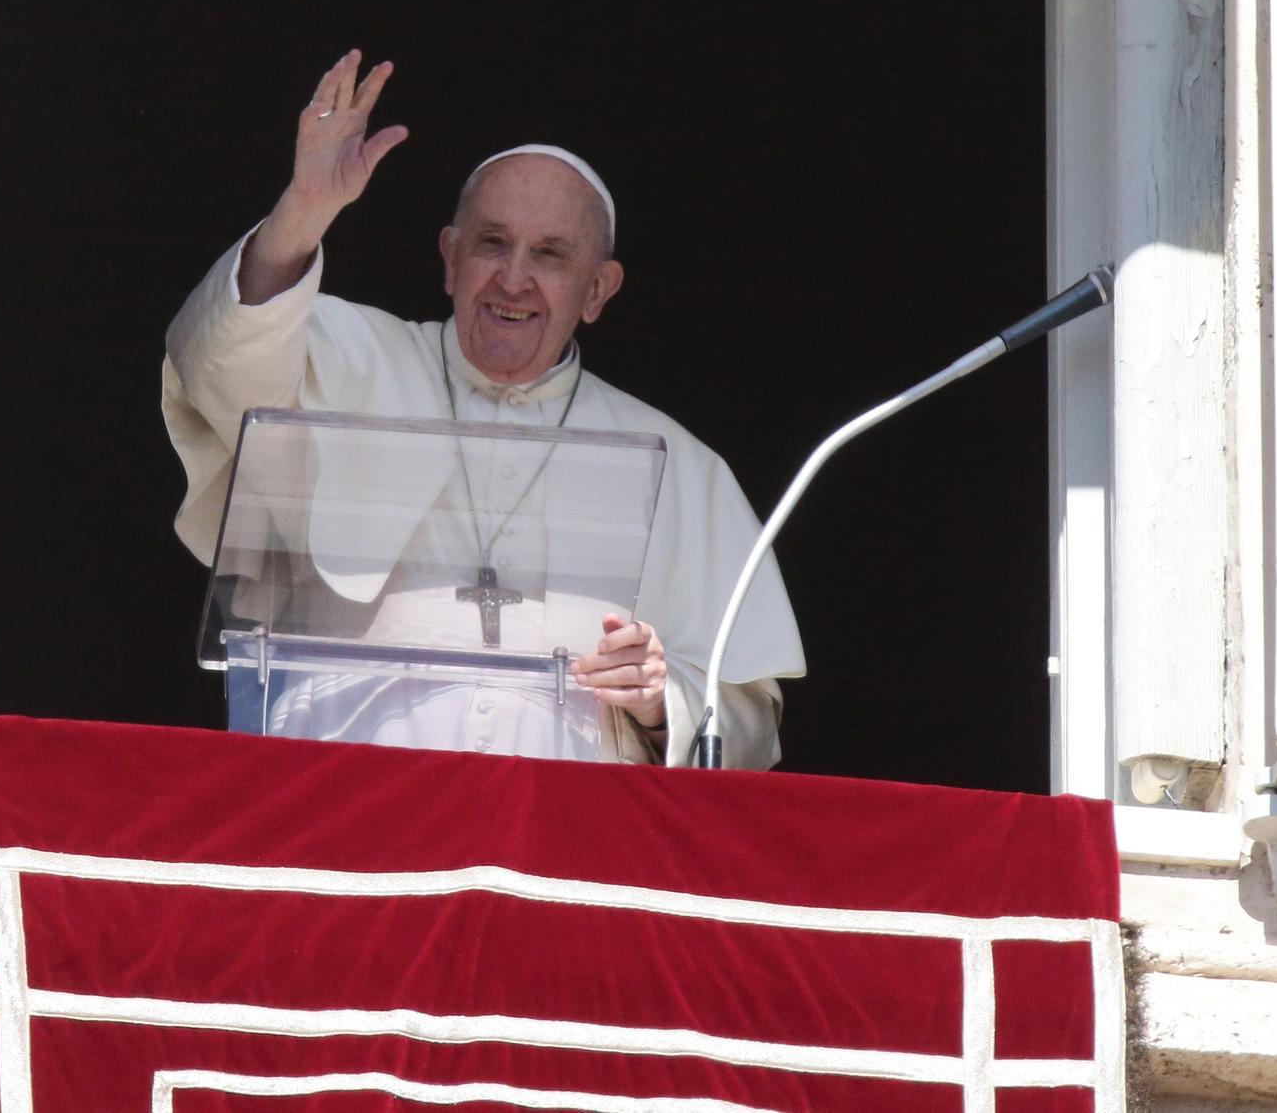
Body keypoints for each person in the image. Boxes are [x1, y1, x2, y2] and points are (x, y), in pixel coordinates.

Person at [164, 50, 805, 766]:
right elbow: (214, 364)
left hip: (560, 832)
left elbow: (748, 725)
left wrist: (662, 700)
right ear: (449, 256)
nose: (514, 277)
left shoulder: (681, 465)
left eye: (551, 255)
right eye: (492, 243)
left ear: (599, 290)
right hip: (346, 794)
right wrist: (304, 212)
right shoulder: (350, 356)